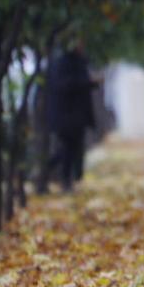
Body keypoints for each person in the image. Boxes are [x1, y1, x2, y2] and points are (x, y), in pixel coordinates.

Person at [45, 43, 98, 191]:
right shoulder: (64, 63)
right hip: (67, 115)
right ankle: (56, 174)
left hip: (75, 115)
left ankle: (67, 177)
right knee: (67, 149)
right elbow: (65, 85)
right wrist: (88, 82)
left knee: (73, 149)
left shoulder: (79, 62)